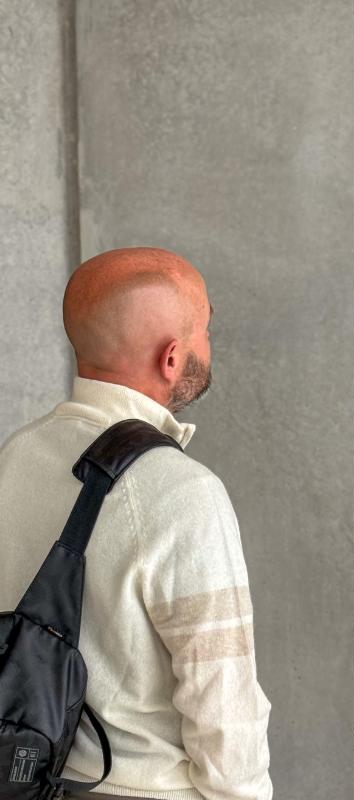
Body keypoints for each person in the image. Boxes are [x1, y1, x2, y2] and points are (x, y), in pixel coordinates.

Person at [0, 247, 272, 800]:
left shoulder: (16, 457)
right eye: (203, 330)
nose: (208, 344)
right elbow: (224, 708)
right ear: (171, 357)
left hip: (26, 781)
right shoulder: (182, 492)